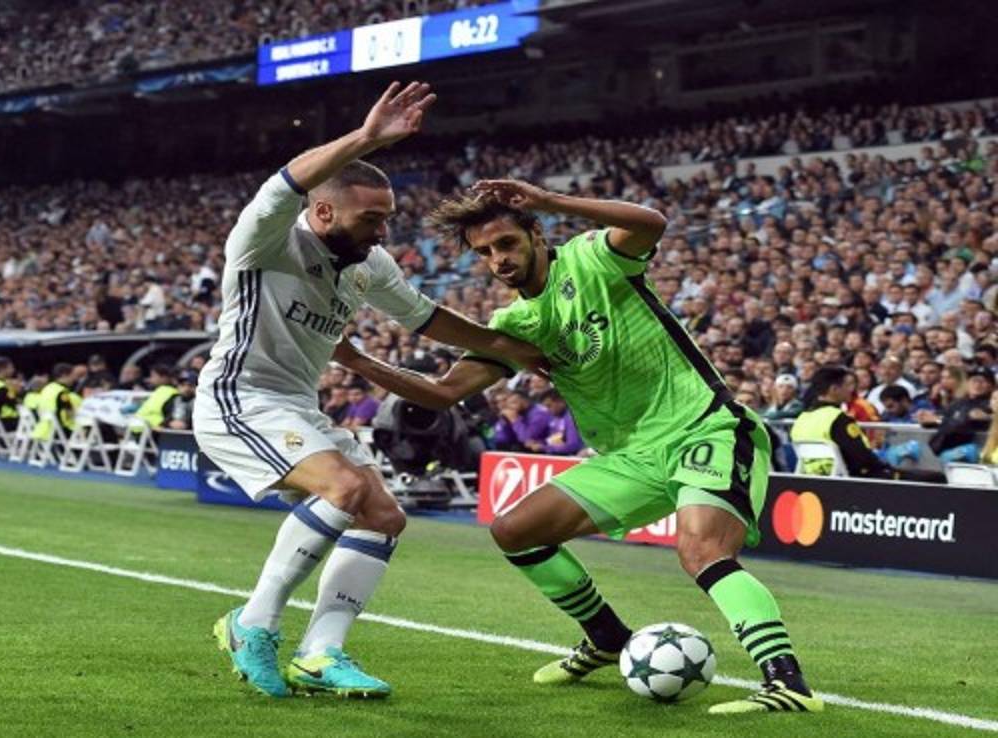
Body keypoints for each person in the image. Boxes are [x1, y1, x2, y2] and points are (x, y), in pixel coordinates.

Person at [333, 178, 823, 714]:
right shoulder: (516, 325)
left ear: (536, 234)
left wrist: (551, 200)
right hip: (631, 458)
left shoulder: (592, 258)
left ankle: (787, 683)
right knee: (515, 530)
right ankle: (608, 637)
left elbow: (651, 224)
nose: (498, 260)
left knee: (702, 550)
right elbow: (443, 392)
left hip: (705, 427)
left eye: (506, 243)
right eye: (484, 253)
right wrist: (356, 360)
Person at [197, 82, 548, 700]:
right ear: (323, 212)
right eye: (371, 219)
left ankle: (320, 653)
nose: (383, 232)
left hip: (296, 407)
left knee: (383, 515)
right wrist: (365, 138)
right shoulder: (266, 240)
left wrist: (510, 348)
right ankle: (254, 624)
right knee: (347, 488)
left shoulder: (367, 264)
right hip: (239, 398)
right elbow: (283, 186)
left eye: (386, 218)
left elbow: (427, 320)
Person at [791, 365, 945, 483]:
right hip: (854, 479)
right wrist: (886, 468)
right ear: (834, 389)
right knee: (936, 478)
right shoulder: (838, 418)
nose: (851, 390)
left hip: (815, 479)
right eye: (847, 385)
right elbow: (862, 459)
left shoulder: (802, 418)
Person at [923, 368, 995, 461]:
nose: (977, 384)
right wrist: (926, 418)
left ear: (991, 386)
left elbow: (960, 425)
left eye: (982, 381)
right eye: (974, 380)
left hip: (968, 450)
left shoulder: (990, 404)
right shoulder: (959, 403)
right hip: (941, 449)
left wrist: (939, 420)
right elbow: (938, 417)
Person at [134, 363, 181, 432]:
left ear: (164, 378)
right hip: (142, 431)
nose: (150, 379)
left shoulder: (171, 394)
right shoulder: (160, 391)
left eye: (153, 376)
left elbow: (171, 414)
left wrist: (162, 426)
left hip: (155, 432)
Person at [540, 389, 583, 456]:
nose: (548, 410)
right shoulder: (556, 416)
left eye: (549, 406)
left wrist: (544, 448)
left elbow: (573, 446)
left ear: (561, 401)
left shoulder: (571, 417)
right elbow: (554, 439)